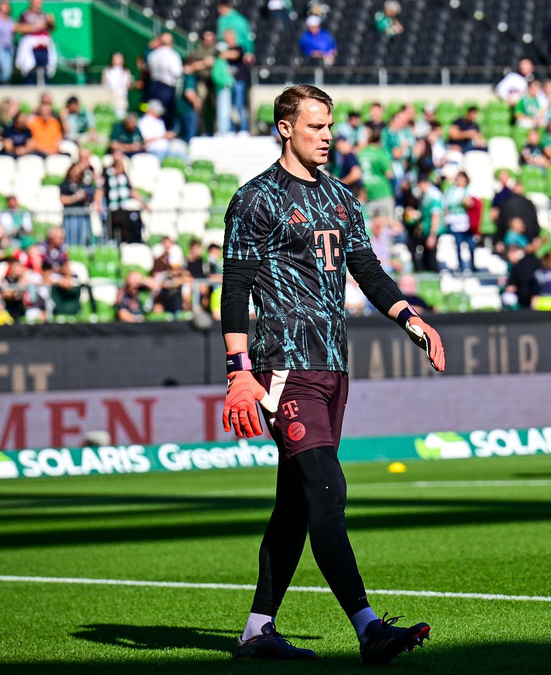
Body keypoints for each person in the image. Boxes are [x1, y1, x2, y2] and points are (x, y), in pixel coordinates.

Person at [221, 85, 443, 664]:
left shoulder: (342, 197)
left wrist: (409, 317)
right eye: (315, 126)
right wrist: (238, 372)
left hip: (332, 366)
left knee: (296, 504)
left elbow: (366, 268)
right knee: (326, 489)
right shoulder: (255, 199)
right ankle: (369, 629)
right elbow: (235, 287)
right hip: (282, 368)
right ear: (285, 128)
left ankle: (257, 632)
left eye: (329, 126)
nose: (326, 136)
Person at [147, 32, 184, 132]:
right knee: (165, 115)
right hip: (166, 87)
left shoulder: (153, 54)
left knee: (153, 112)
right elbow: (177, 72)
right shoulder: (172, 55)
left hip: (153, 86)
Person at [15, 0, 57, 84]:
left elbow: (51, 28)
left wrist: (51, 22)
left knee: (45, 69)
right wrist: (36, 27)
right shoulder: (25, 15)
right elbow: (19, 28)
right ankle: (29, 87)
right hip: (31, 47)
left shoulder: (45, 14)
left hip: (44, 46)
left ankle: (45, 87)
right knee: (31, 70)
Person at [102, 52, 132, 119]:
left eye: (119, 58)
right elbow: (104, 85)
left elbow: (127, 86)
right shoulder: (107, 71)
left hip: (121, 100)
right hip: (110, 98)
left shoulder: (126, 72)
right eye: (116, 58)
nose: (117, 60)